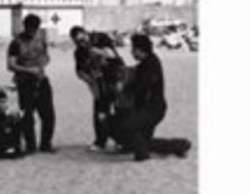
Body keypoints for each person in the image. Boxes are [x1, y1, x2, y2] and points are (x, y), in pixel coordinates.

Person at [109, 33, 192, 162]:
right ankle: (179, 145)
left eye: (133, 49)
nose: (131, 52)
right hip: (149, 108)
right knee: (144, 140)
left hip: (153, 109)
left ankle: (142, 155)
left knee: (125, 126)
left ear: (139, 49)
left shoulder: (151, 64)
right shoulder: (147, 62)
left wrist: (124, 88)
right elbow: (134, 73)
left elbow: (143, 85)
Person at [7, 14, 57, 153]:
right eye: (30, 29)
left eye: (35, 29)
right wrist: (28, 70)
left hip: (41, 80)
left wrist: (43, 62)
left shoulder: (41, 39)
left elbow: (46, 56)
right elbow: (11, 65)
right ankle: (31, 145)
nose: (32, 32)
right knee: (27, 115)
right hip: (25, 82)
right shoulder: (16, 43)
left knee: (48, 114)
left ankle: (46, 144)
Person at [69, 26, 124, 151]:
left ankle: (121, 140)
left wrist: (96, 51)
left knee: (120, 110)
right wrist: (90, 81)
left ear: (86, 33)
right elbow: (79, 72)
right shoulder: (79, 52)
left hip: (115, 77)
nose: (81, 43)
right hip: (98, 83)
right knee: (100, 112)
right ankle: (100, 141)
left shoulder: (101, 38)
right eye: (77, 42)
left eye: (82, 39)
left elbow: (113, 54)